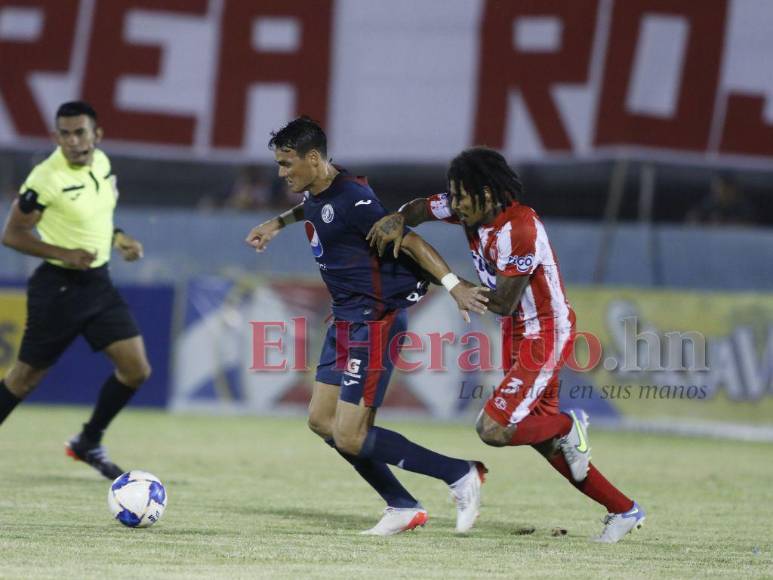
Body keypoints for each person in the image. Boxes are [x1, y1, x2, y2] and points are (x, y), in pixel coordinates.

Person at [367, 147, 646, 543]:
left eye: (462, 195)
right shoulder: (466, 207)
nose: (455, 203)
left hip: (544, 331)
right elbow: (419, 208)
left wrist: (452, 286)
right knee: (543, 439)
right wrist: (398, 218)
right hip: (516, 332)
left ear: (487, 193)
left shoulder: (519, 229)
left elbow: (503, 301)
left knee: (494, 428)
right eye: (453, 193)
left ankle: (572, 423)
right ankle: (623, 509)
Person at [246, 117, 490, 535]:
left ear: (314, 158)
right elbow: (313, 209)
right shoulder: (321, 192)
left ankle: (460, 473)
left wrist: (452, 285)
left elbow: (408, 239)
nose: (281, 173)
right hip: (344, 320)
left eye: (287, 164)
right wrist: (277, 223)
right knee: (322, 422)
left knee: (352, 436)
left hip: (375, 322)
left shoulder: (355, 200)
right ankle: (402, 505)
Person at [0, 101, 150, 480]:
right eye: (64, 134)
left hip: (98, 283)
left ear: (96, 135)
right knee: (24, 379)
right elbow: (12, 234)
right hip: (59, 287)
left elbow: (98, 215)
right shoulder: (44, 179)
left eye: (79, 132)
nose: (72, 140)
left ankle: (87, 442)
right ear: (56, 137)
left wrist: (118, 238)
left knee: (135, 370)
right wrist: (64, 253)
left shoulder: (101, 163)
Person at [686, 172, 755, 226]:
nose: (719, 191)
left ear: (732, 189)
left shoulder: (742, 206)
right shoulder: (709, 203)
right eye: (717, 187)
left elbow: (751, 226)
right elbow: (693, 219)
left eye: (724, 189)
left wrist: (727, 224)